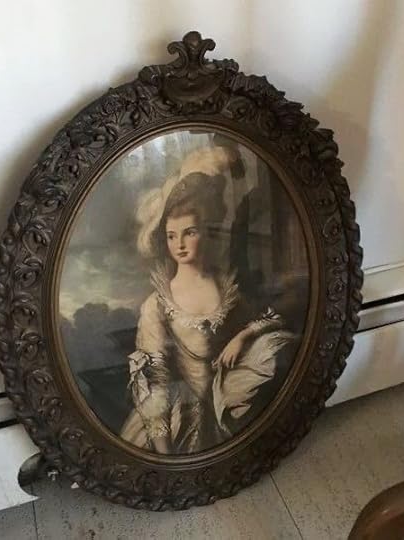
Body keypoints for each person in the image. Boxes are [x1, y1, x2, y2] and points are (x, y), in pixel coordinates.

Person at [120, 146, 296, 454]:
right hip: (181, 412)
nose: (180, 244)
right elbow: (154, 381)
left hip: (225, 398)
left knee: (275, 348)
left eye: (189, 232)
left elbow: (271, 318)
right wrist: (164, 454)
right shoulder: (157, 305)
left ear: (206, 232)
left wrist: (243, 336)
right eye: (172, 235)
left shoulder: (225, 288)